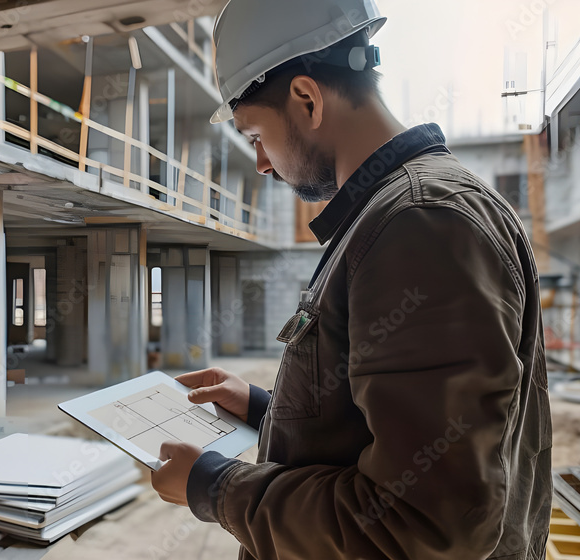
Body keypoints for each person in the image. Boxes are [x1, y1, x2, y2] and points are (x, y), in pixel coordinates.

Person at [149, 0, 553, 558]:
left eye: (255, 135)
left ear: (307, 100)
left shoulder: (420, 224)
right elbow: (392, 431)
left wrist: (215, 487)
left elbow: (423, 525)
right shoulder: (394, 215)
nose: (262, 164)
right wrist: (269, 410)